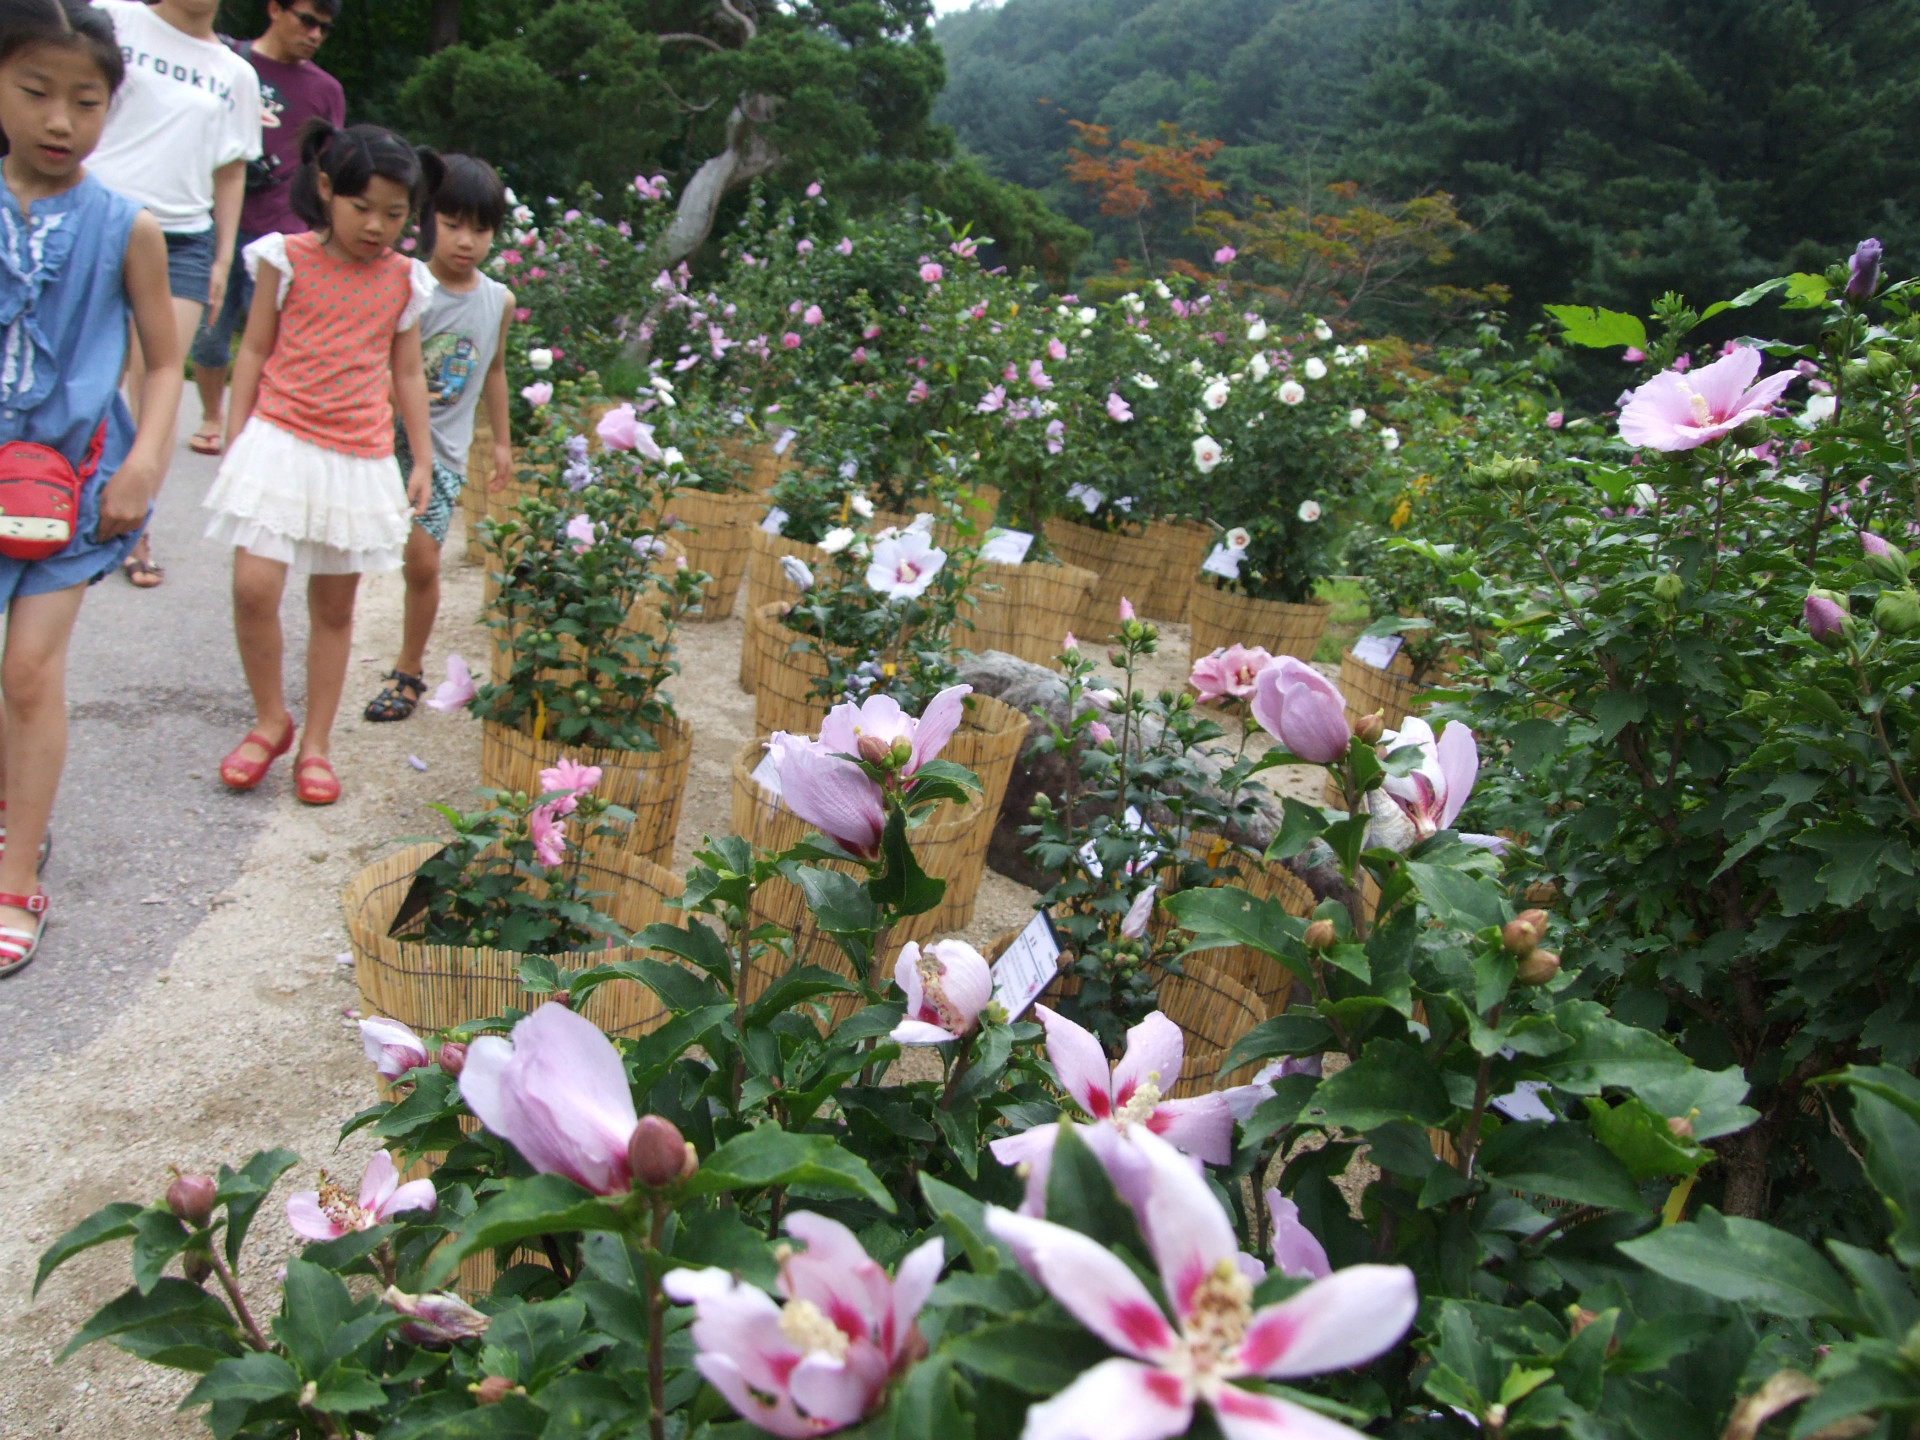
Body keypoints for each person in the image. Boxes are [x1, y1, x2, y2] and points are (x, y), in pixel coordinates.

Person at [0, 0, 182, 975]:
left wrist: (145, 459)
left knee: (29, 673)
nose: (60, 119)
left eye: (86, 100)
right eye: (35, 91)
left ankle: (16, 874)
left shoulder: (128, 227)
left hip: (67, 487)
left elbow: (163, 360)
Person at [203, 121, 439, 806]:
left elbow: (409, 371)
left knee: (335, 608)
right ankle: (270, 718)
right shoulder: (285, 257)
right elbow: (252, 349)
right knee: (253, 587)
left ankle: (316, 744)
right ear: (327, 188)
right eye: (363, 207)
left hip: (358, 456)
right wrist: (234, 432)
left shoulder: (406, 281)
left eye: (395, 214)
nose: (377, 226)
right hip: (278, 438)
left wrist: (419, 458)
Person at [87, 0, 262, 589]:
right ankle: (51, 497)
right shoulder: (111, 19)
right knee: (90, 373)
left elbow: (231, 168)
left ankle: (135, 526)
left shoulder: (235, 71)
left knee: (155, 377)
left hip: (183, 239)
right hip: (97, 215)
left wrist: (221, 256)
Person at [364, 153, 512, 722]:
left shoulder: (497, 300)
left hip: (445, 452)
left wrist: (500, 440)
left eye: (480, 228)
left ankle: (408, 671)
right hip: (379, 441)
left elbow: (494, 369)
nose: (465, 240)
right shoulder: (403, 281)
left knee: (422, 561)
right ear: (428, 220)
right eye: (452, 224)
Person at [186, 0, 343, 459]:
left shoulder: (326, 90)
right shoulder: (229, 60)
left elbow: (330, 164)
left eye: (324, 29)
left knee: (272, 340)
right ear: (275, 9)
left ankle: (254, 424)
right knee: (210, 335)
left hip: (281, 230)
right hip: (215, 218)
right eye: (307, 21)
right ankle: (212, 415)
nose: (314, 34)